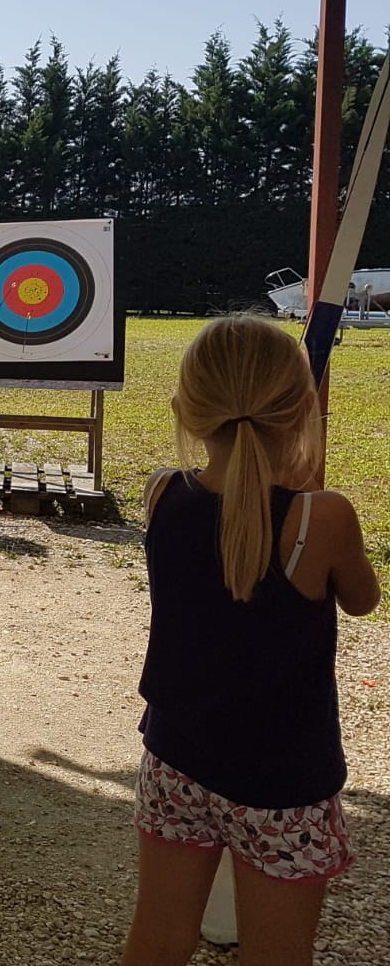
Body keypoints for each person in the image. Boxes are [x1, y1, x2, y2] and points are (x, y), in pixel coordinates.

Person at [123, 314, 380, 966]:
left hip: (175, 763)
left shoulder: (160, 494)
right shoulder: (322, 518)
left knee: (156, 943)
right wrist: (305, 484)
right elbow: (363, 599)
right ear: (300, 411)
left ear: (188, 410)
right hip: (282, 787)